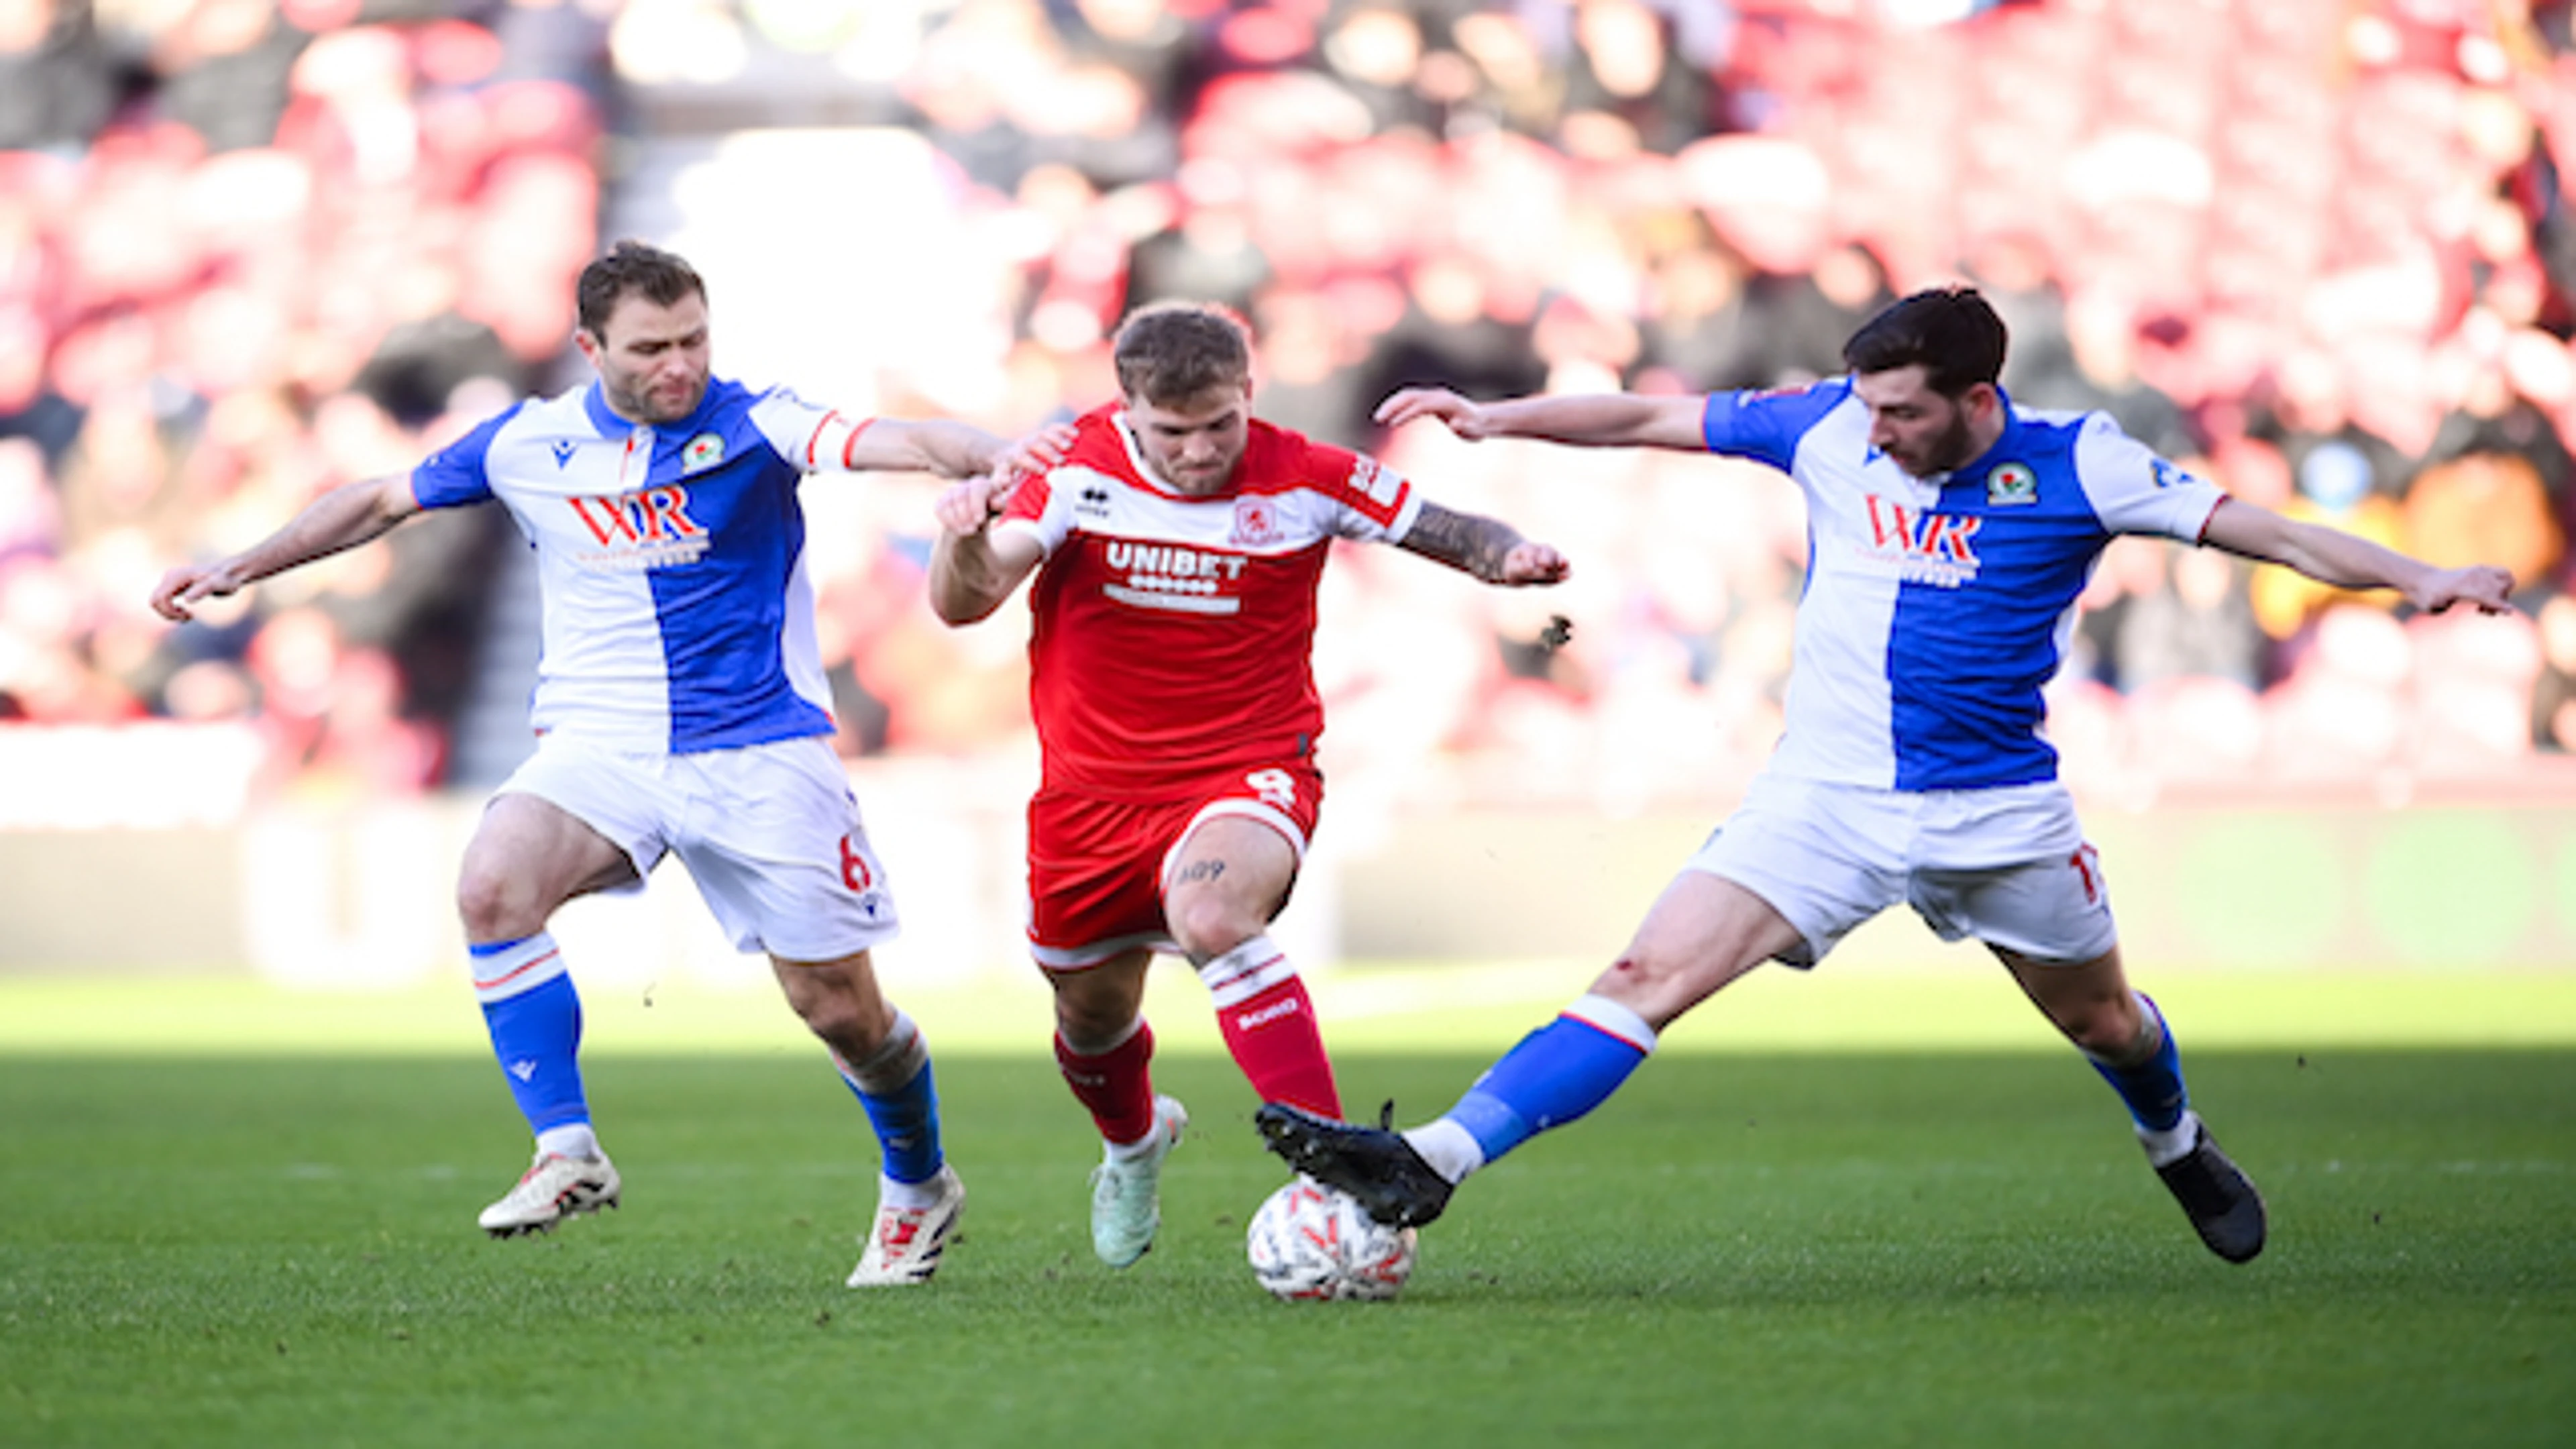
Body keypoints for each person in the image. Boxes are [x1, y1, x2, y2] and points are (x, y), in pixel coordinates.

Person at [1255, 286, 2517, 1267]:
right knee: (1643, 978)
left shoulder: (2086, 465)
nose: (1877, 431)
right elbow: (1649, 418)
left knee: (2106, 1024)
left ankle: (2175, 1142)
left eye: (1903, 412)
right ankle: (1433, 1160)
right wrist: (1497, 419)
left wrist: (2420, 581)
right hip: (1824, 801)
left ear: (1979, 401)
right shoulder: (1827, 428)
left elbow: (2279, 534)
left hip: (2000, 814)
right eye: (1867, 407)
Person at [150, 241, 1063, 1287]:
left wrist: (997, 457)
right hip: (601, 745)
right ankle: (567, 1151)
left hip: (759, 752)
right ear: (590, 349)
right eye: (650, 350)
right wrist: (239, 566)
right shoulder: (527, 444)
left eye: (694, 341)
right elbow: (380, 500)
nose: (680, 367)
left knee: (839, 1012)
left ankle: (918, 1182)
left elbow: (900, 438)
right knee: (494, 885)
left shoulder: (758, 421)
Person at [926, 301, 1567, 1269]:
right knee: (1090, 1024)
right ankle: (1135, 1143)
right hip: (1090, 801)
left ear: (1248, 396)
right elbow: (964, 602)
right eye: (1171, 432)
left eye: (1219, 425)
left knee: (1215, 914)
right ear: (1128, 408)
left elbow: (1443, 527)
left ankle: (1335, 1171)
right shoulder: (1070, 470)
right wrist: (964, 534)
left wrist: (1508, 558)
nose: (1198, 451)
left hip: (1247, 769)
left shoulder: (1304, 473)